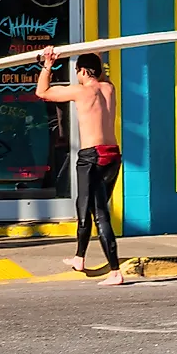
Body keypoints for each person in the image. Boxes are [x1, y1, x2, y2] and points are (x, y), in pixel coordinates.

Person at [35, 47, 126, 283]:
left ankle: (115, 272)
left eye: (77, 71)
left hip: (92, 157)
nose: (77, 75)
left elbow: (42, 92)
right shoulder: (110, 88)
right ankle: (79, 258)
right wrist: (98, 53)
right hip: (112, 156)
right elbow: (100, 75)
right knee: (84, 206)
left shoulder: (81, 92)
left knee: (98, 215)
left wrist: (48, 63)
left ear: (83, 71)